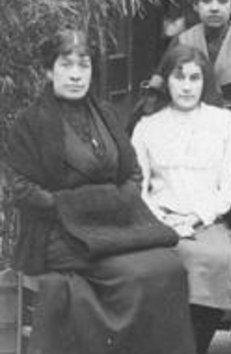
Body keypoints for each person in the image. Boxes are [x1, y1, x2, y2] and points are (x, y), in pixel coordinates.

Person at [6, 28, 193, 354]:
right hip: (57, 234)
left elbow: (133, 174)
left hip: (115, 230)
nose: (77, 75)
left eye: (85, 65)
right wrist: (84, 207)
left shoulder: (106, 114)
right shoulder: (29, 122)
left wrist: (113, 205)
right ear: (49, 70)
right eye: (66, 65)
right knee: (135, 276)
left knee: (170, 267)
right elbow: (22, 191)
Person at [131, 44, 231, 354]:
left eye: (195, 78)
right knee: (154, 267)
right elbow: (137, 186)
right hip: (158, 220)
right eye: (179, 77)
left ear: (205, 81)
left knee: (219, 260)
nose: (187, 86)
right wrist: (162, 217)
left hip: (206, 221)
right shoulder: (147, 127)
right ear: (166, 81)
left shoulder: (224, 123)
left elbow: (229, 188)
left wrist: (197, 216)